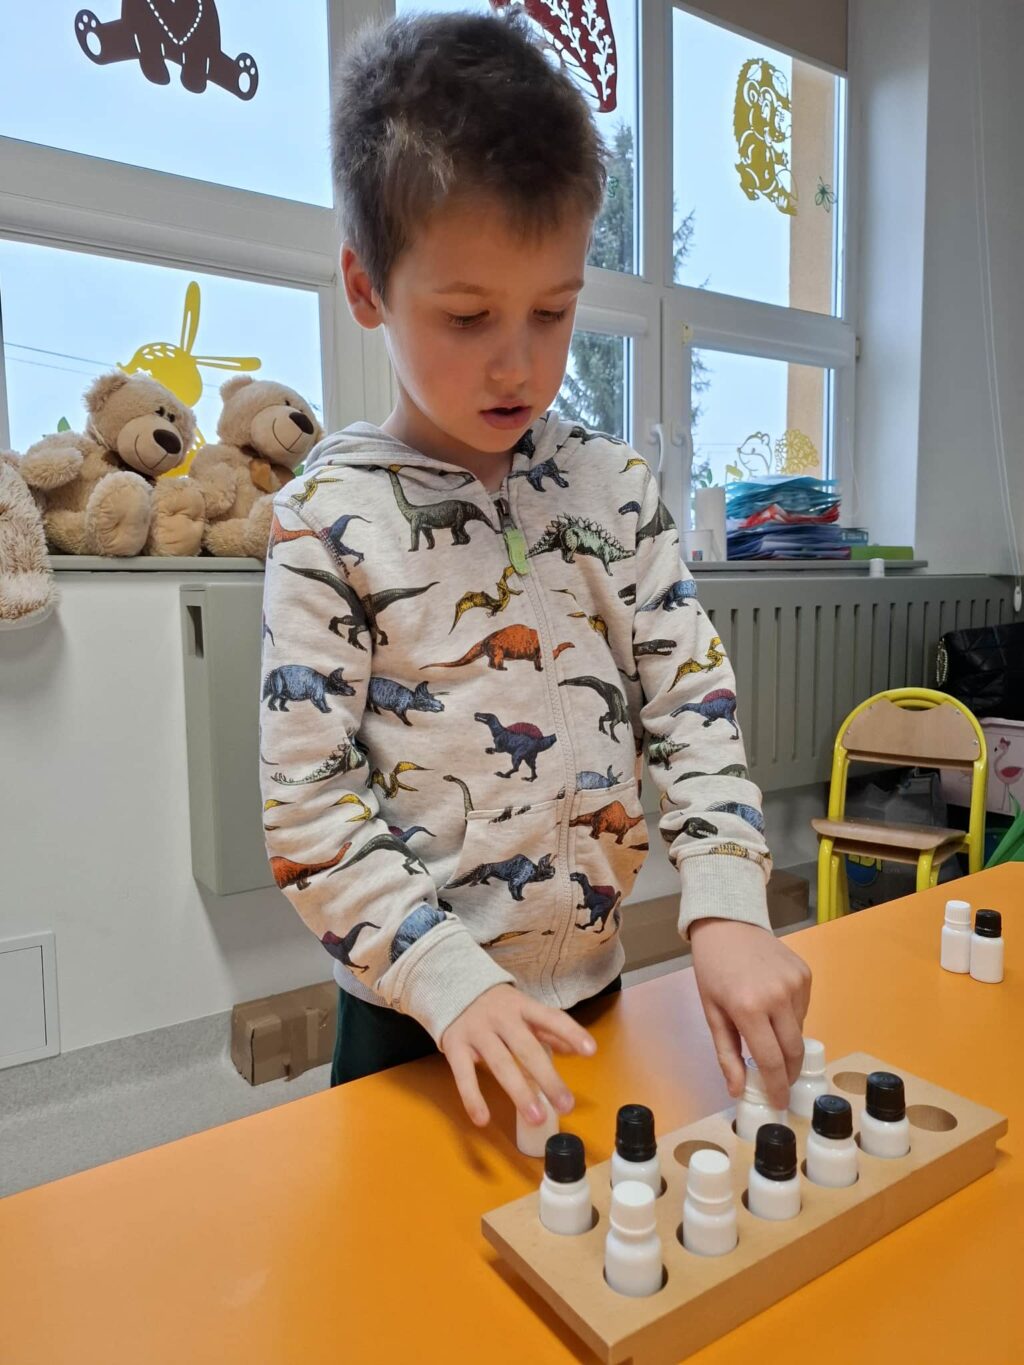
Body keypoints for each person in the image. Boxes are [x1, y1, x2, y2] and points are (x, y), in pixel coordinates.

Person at [259, 9, 811, 1131]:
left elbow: (691, 703)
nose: (519, 365)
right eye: (468, 317)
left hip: (594, 986)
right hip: (417, 1012)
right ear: (366, 289)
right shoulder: (325, 521)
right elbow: (309, 802)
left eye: (554, 312)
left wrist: (725, 900)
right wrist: (447, 982)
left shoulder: (614, 487)